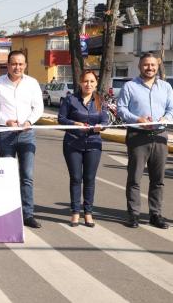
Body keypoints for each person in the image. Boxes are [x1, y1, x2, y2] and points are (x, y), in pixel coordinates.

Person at [117, 52, 173, 229]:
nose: (149, 68)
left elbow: (172, 108)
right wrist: (137, 119)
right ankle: (133, 214)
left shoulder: (165, 87)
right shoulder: (129, 86)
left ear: (157, 66)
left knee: (158, 179)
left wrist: (166, 117)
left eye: (152, 65)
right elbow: (121, 109)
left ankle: (155, 214)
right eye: (146, 65)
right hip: (137, 136)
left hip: (159, 136)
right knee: (134, 178)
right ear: (139, 66)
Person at [0, 50, 44, 229]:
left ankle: (27, 214)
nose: (17, 67)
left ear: (25, 65)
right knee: (7, 175)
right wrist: (6, 121)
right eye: (14, 63)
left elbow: (38, 107)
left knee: (27, 176)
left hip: (27, 133)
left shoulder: (32, 83)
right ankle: (7, 213)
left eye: (20, 64)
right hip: (6, 133)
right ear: (8, 65)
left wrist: (29, 121)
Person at [57, 70, 109, 228]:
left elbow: (105, 120)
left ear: (96, 83)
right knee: (76, 178)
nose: (89, 84)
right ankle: (75, 212)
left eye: (92, 81)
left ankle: (88, 213)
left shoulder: (100, 101)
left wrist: (102, 127)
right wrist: (74, 124)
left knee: (89, 179)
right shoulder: (70, 100)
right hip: (73, 143)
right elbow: (61, 118)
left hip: (93, 143)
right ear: (80, 82)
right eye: (86, 81)